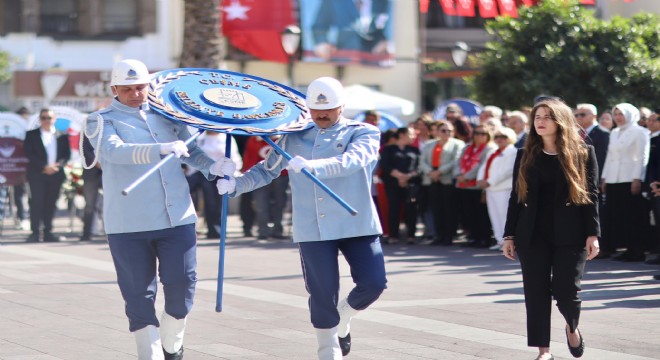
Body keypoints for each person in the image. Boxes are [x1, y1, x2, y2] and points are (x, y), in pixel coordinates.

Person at [217, 76, 387, 359]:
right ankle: (327, 351)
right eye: (316, 109)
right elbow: (267, 169)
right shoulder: (293, 135)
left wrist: (314, 166)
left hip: (355, 221)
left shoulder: (364, 132)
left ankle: (344, 316)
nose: (321, 115)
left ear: (342, 106)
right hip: (313, 227)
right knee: (322, 293)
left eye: (329, 109)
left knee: (374, 283)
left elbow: (354, 161)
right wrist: (236, 185)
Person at [82, 59, 234, 360]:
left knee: (182, 285)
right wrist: (160, 149)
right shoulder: (99, 120)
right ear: (114, 89)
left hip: (177, 217)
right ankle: (148, 353)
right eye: (127, 89)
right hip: (128, 223)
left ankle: (173, 341)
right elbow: (113, 152)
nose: (136, 93)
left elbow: (191, 150)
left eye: (140, 87)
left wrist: (213, 167)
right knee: (138, 295)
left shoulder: (168, 115)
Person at [502, 99, 600, 360]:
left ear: (561, 121)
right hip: (532, 234)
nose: (540, 121)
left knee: (567, 290)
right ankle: (543, 350)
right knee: (535, 291)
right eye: (537, 117)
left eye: (547, 116)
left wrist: (593, 234)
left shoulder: (583, 152)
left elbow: (591, 195)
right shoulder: (525, 154)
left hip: (572, 233)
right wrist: (509, 234)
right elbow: (516, 196)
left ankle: (571, 325)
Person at [600, 103, 650, 262]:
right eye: (616, 114)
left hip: (630, 178)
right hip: (614, 178)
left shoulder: (639, 131)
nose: (618, 118)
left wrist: (637, 178)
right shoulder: (614, 132)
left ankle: (637, 249)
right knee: (618, 215)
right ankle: (627, 248)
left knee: (632, 216)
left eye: (621, 114)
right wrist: (605, 177)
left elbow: (643, 156)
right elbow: (610, 156)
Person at [23, 108, 71, 242]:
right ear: (40, 119)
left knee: (51, 203)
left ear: (54, 119)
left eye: (49, 118)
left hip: (55, 175)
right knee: (36, 203)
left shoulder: (62, 135)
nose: (46, 121)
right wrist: (44, 167)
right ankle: (35, 233)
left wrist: (56, 166)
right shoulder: (31, 135)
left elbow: (66, 155)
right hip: (38, 174)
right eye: (43, 118)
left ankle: (48, 232)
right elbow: (28, 153)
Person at [186, 130, 242, 239]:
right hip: (203, 173)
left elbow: (234, 157)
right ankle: (205, 228)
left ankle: (218, 230)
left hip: (221, 174)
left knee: (217, 203)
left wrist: (235, 173)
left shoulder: (226, 138)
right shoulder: (200, 138)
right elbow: (194, 156)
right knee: (203, 200)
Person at [418, 120, 464, 245]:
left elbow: (456, 161)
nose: (447, 133)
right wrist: (430, 172)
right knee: (436, 208)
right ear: (437, 132)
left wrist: (439, 172)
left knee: (449, 209)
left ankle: (449, 236)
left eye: (450, 131)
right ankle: (439, 235)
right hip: (431, 179)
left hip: (447, 179)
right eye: (444, 130)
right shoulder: (429, 144)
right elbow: (422, 161)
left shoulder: (458, 144)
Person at [574, 104, 611, 258]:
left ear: (593, 116)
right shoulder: (576, 134)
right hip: (578, 180)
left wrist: (599, 179)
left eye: (582, 114)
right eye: (576, 115)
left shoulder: (602, 134)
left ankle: (603, 247)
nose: (578, 118)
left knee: (597, 213)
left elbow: (602, 159)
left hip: (594, 179)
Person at [454, 124, 496, 247]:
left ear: (488, 136)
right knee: (468, 213)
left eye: (483, 134)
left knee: (481, 214)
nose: (479, 136)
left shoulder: (489, 149)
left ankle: (484, 238)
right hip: (463, 185)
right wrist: (459, 175)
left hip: (477, 185)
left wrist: (466, 176)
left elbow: (481, 166)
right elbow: (458, 162)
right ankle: (473, 237)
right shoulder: (467, 147)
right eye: (477, 133)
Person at [476, 127, 517, 251]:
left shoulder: (512, 151)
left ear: (510, 138)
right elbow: (484, 167)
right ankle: (500, 240)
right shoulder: (493, 151)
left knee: (504, 216)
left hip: (503, 188)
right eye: (497, 137)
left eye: (503, 137)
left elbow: (508, 170)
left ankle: (508, 242)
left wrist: (489, 181)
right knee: (494, 216)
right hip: (490, 189)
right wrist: (480, 180)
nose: (499, 139)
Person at [380, 127, 421, 244]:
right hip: (393, 183)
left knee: (411, 208)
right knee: (394, 208)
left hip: (411, 183)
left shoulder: (414, 150)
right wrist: (399, 176)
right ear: (402, 135)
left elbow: (418, 166)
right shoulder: (388, 150)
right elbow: (386, 166)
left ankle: (411, 235)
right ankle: (393, 235)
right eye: (411, 134)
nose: (413, 137)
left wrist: (408, 176)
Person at [80, 135, 102, 241]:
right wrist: (96, 162)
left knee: (114, 203)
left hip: (109, 171)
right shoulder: (89, 128)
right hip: (91, 172)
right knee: (90, 205)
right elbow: (84, 149)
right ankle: (86, 233)